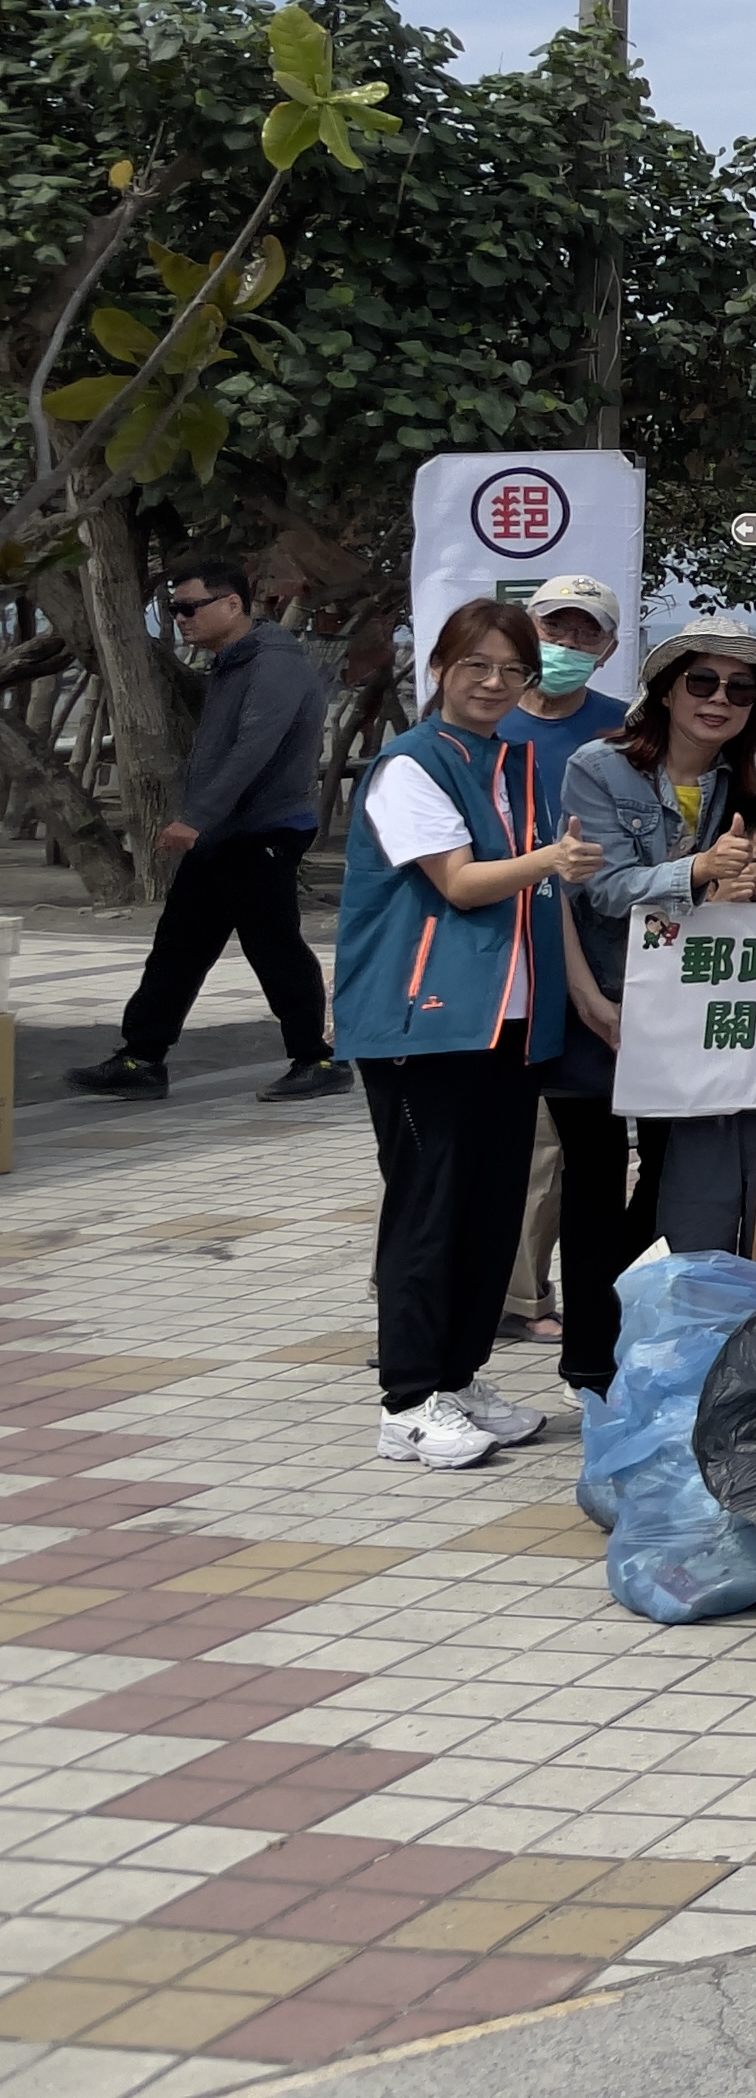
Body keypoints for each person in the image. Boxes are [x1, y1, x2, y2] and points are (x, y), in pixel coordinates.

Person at [335, 597, 599, 1467]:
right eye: (475, 665)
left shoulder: (511, 763)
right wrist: (551, 861)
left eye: (511, 670)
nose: (494, 683)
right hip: (425, 1026)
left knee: (489, 1210)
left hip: (509, 1025)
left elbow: (533, 897)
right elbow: (459, 882)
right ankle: (407, 1399)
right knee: (428, 1207)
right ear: (439, 669)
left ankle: (459, 1376)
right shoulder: (408, 764)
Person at [561, 627, 756, 1275]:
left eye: (740, 689)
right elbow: (605, 891)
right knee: (593, 1183)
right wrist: (703, 870)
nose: (719, 699)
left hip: (694, 1020)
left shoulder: (747, 790)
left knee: (669, 1181)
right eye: (702, 681)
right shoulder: (597, 766)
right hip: (604, 1010)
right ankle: (591, 1359)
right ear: (668, 691)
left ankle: (643, 1338)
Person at [73, 558, 337, 1104]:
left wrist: (195, 817)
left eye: (189, 607)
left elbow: (253, 752)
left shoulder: (274, 664)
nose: (180, 618)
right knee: (178, 947)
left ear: (232, 605)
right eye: (174, 609)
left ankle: (318, 1059)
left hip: (264, 830)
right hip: (226, 834)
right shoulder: (232, 662)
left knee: (274, 947)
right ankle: (141, 1058)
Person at [488, 572, 631, 1341]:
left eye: (585, 633)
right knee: (507, 1141)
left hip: (591, 958)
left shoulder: (624, 728)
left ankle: (543, 1304)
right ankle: (501, 1299)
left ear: (608, 648)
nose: (567, 644)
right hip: (494, 955)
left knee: (570, 1149)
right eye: (554, 628)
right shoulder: (486, 723)